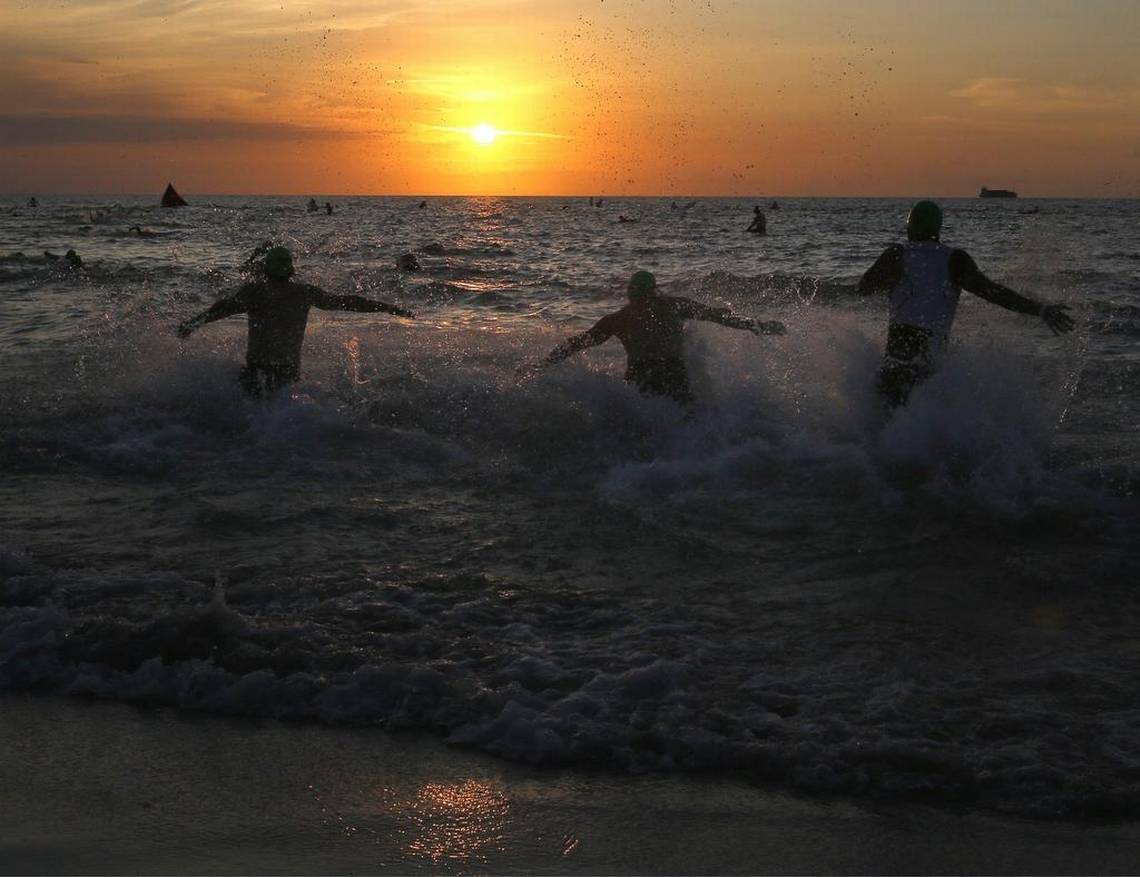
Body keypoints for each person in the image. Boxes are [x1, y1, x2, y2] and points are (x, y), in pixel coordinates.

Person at [858, 199, 1076, 409]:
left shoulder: (896, 255)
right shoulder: (955, 260)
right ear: (939, 229)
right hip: (930, 357)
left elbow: (863, 288)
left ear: (909, 227)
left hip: (898, 353)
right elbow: (994, 293)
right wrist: (1040, 309)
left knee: (888, 422)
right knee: (922, 421)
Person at [177, 246, 415, 396]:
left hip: (255, 371)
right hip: (289, 373)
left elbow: (221, 309)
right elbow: (349, 302)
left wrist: (192, 324)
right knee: (283, 418)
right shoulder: (303, 293)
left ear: (265, 270)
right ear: (291, 271)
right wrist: (389, 308)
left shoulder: (253, 292)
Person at [537, 270, 784, 404]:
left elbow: (578, 344)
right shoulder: (673, 306)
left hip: (639, 377)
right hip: (672, 373)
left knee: (645, 425)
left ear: (630, 293)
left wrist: (543, 363)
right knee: (685, 419)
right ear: (654, 290)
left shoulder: (618, 319)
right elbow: (718, 316)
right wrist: (757, 325)